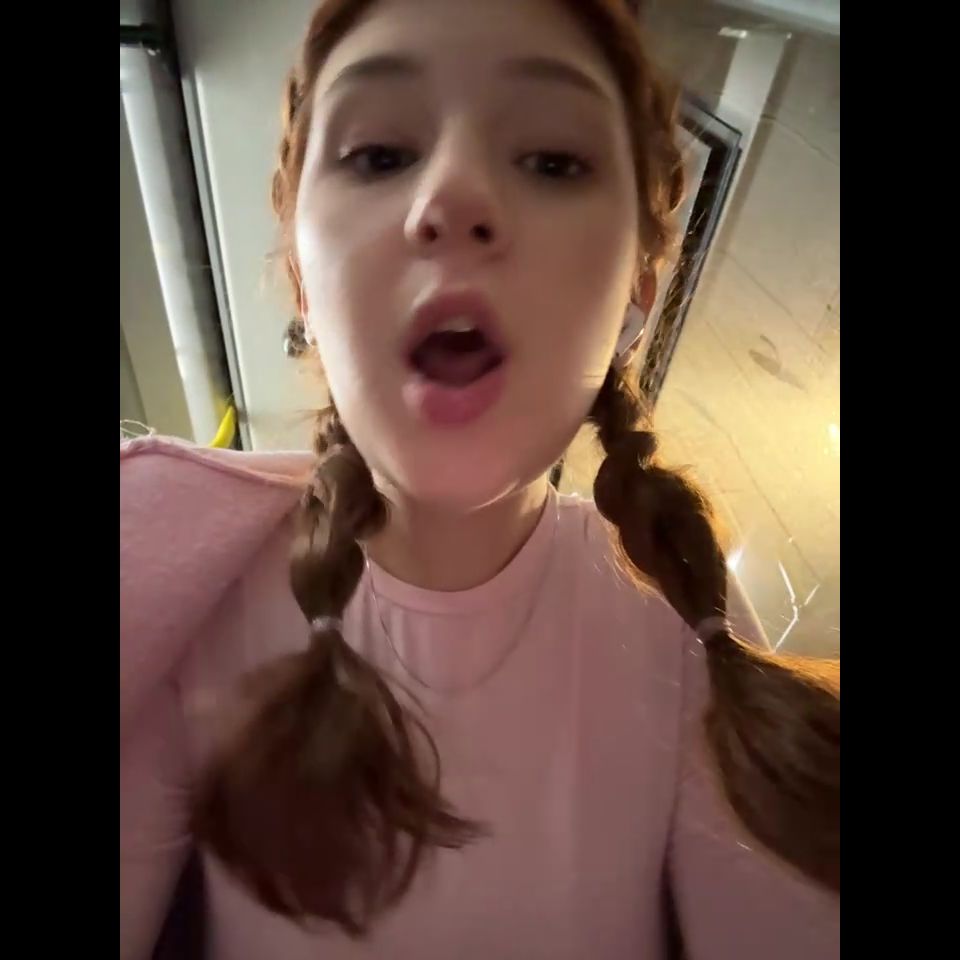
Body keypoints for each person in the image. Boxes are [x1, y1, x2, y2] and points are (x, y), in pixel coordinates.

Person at [119, 0, 840, 957]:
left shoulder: (680, 618)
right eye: (380, 154)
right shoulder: (175, 592)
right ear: (301, 278)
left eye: (553, 161)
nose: (454, 196)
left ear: (637, 293)